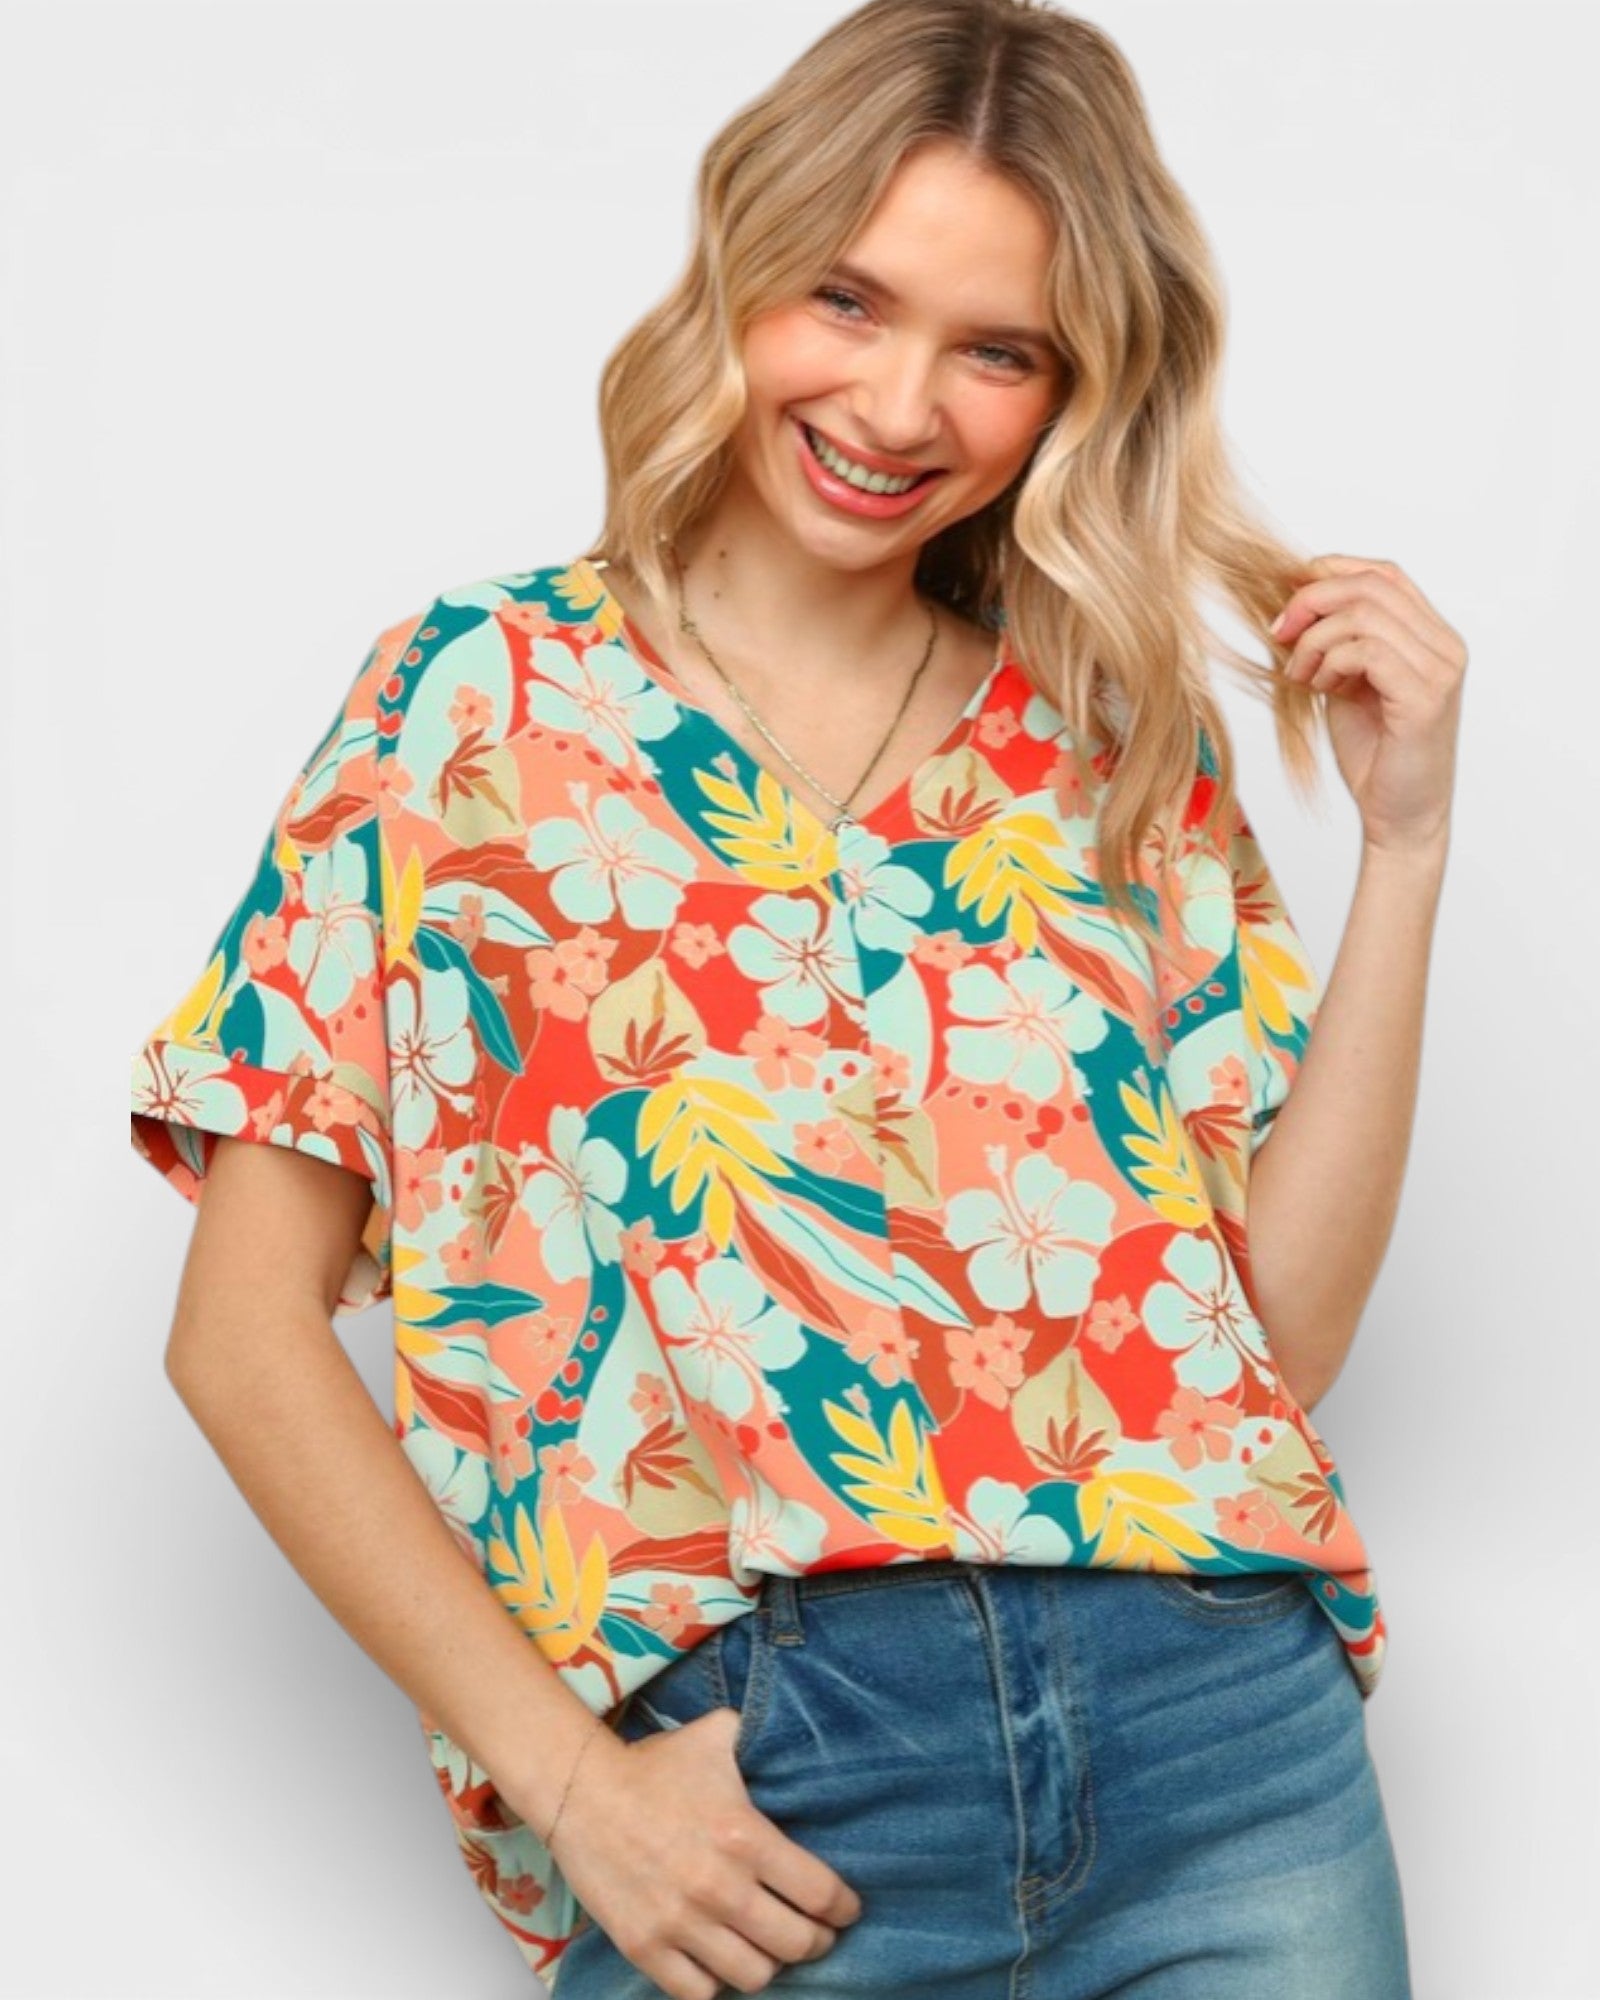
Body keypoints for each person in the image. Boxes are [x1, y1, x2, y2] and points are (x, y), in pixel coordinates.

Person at [128, 0, 1464, 1993]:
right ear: (741, 265)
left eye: (996, 349)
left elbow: (1273, 1340)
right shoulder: (474, 706)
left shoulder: (1109, 738)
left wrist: (1406, 847)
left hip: (1222, 1752)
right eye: (849, 298)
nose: (900, 405)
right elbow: (238, 1338)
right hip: (769, 1794)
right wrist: (574, 1785)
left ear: (1071, 390)